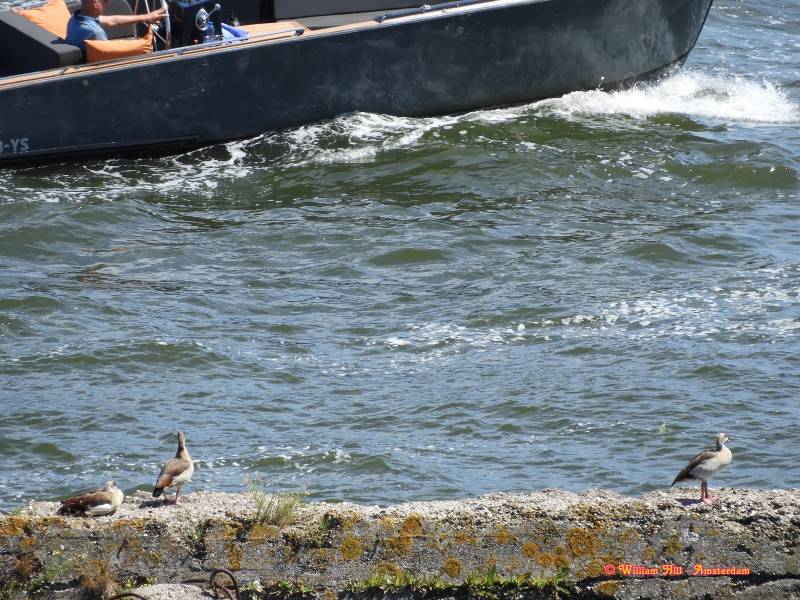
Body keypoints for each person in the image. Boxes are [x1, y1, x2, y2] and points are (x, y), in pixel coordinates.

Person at [65, 0, 166, 55]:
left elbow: (112, 20)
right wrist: (145, 45)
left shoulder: (74, 19)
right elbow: (109, 59)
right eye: (106, 1)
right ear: (96, 3)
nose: (107, 4)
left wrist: (146, 17)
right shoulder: (95, 32)